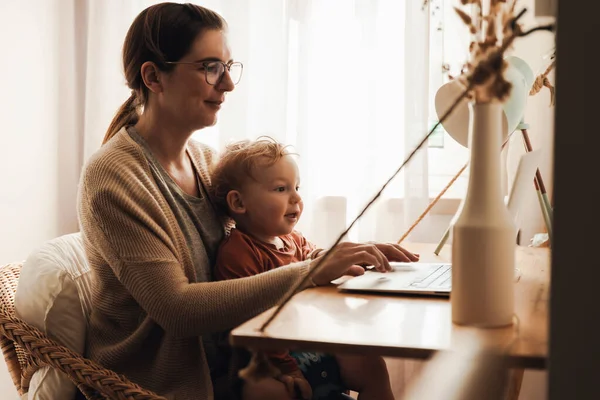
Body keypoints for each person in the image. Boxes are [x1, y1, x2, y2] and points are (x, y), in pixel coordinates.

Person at [77, 3, 419, 400]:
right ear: (154, 76)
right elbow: (178, 311)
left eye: (228, 67)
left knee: (366, 360)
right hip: (166, 384)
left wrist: (347, 256)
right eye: (209, 68)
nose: (228, 85)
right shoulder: (114, 178)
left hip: (240, 359)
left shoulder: (205, 161)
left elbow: (261, 250)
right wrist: (312, 271)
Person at [212, 138, 409, 400]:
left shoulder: (292, 239)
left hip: (308, 342)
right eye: (281, 189)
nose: (296, 197)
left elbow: (313, 254)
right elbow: (251, 323)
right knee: (266, 390)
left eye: (296, 187)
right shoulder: (238, 253)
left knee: (371, 364)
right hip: (264, 359)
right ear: (238, 203)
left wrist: (344, 259)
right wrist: (288, 369)